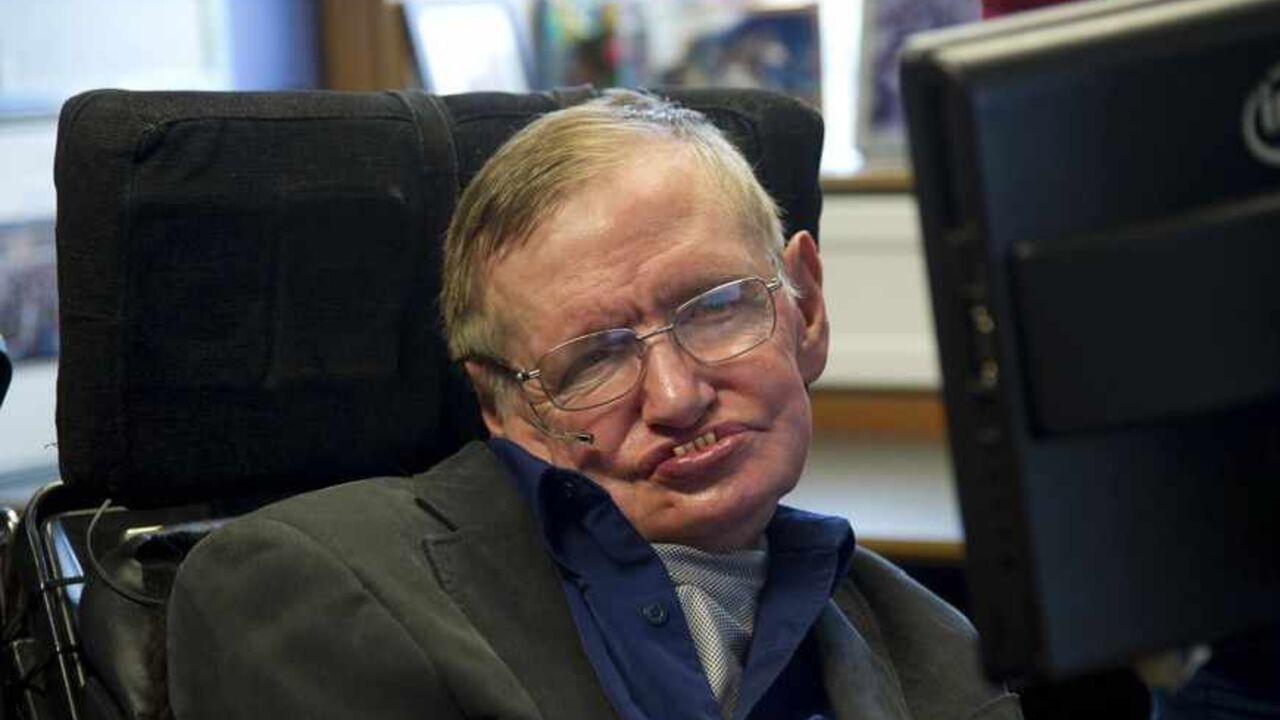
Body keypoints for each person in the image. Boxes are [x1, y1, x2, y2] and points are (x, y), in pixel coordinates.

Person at [167, 90, 1021, 720]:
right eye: (593, 360)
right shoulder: (312, 587)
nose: (678, 398)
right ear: (502, 404)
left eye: (717, 308)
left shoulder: (943, 659)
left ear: (806, 304)